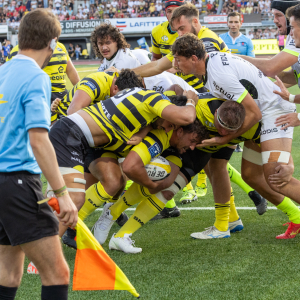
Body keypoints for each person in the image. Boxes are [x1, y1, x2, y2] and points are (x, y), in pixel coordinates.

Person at [172, 33, 300, 239]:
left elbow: (254, 113)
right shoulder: (211, 65)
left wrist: (225, 139)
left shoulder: (217, 75)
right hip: (263, 112)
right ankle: (297, 217)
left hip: (273, 112)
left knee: (278, 177)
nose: (175, 63)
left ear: (194, 59)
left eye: (178, 59)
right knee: (251, 176)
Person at [0, 9, 77, 299]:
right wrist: (62, 192)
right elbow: (39, 139)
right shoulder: (37, 77)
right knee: (57, 273)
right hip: (19, 182)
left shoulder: (3, 70)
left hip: (2, 185)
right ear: (53, 43)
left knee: (8, 274)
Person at [7, 41, 80, 123]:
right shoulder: (18, 50)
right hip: (40, 95)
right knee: (49, 130)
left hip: (61, 95)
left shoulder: (60, 46)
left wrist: (80, 91)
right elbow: (9, 77)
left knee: (72, 126)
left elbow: (70, 70)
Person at [220, 11, 255, 152]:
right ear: (227, 23)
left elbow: (252, 62)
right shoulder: (220, 39)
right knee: (225, 109)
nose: (233, 25)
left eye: (236, 22)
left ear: (241, 23)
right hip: (223, 80)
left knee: (241, 110)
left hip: (241, 82)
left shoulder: (247, 41)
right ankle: (226, 139)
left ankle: (238, 140)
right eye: (231, 22)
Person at [239, 0, 300, 78]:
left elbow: (270, 67)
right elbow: (292, 77)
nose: (274, 20)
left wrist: (229, 57)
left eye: (278, 15)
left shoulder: (296, 37)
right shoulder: (291, 36)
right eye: (273, 15)